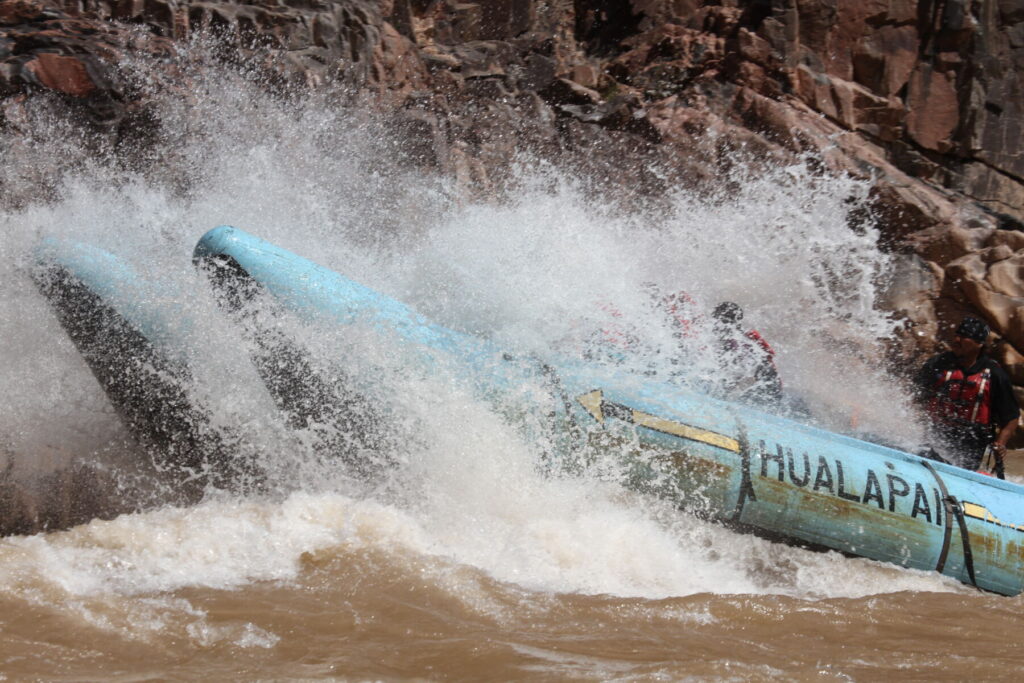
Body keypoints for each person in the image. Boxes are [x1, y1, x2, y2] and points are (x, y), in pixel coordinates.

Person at [917, 316, 1020, 476]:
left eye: (964, 337)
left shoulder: (995, 375)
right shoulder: (938, 364)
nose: (957, 340)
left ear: (979, 344)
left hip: (971, 442)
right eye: (957, 334)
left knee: (956, 472)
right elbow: (915, 395)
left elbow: (1012, 417)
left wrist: (1001, 443)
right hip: (936, 432)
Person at [709, 301, 783, 407]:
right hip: (769, 385)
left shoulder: (738, 340)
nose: (714, 324)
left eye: (716, 319)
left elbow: (743, 373)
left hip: (766, 387)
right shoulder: (745, 336)